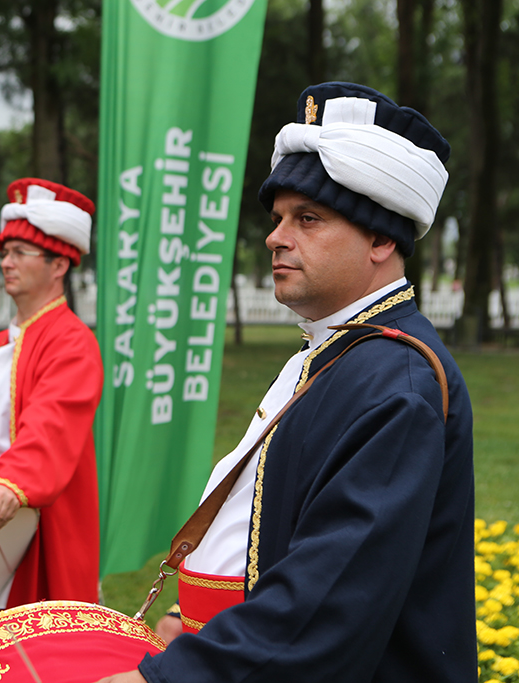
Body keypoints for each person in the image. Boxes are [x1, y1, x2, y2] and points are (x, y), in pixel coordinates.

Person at [99, 82, 476, 682]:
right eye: (278, 219)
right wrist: (188, 614)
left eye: (308, 218)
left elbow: (329, 602)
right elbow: (272, 520)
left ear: (382, 238)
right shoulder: (336, 349)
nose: (275, 237)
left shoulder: (397, 381)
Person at [0, 177, 104, 608]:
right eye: (4, 252)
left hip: (24, 526)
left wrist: (14, 482)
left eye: (20, 253)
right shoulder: (0, 344)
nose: (6, 263)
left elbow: (50, 426)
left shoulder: (72, 342)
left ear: (59, 265)